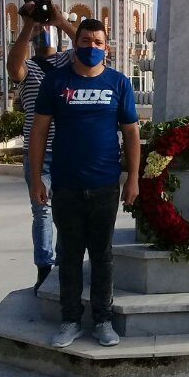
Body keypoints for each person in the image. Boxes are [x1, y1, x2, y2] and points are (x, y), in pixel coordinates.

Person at [29, 18, 140, 348]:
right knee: (69, 253)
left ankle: (103, 319)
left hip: (105, 184)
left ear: (107, 48)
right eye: (85, 40)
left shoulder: (119, 83)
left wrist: (132, 178)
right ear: (74, 44)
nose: (91, 47)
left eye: (97, 42)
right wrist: (37, 179)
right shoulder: (55, 82)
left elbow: (131, 132)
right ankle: (70, 319)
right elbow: (39, 132)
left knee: (103, 255)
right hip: (65, 184)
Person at [7, 0, 77, 293]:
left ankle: (63, 263)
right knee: (42, 211)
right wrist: (27, 26)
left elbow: (91, 49)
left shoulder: (67, 62)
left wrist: (61, 21)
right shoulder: (28, 68)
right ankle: (44, 265)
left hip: (67, 151)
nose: (41, 35)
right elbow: (13, 67)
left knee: (66, 212)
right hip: (39, 154)